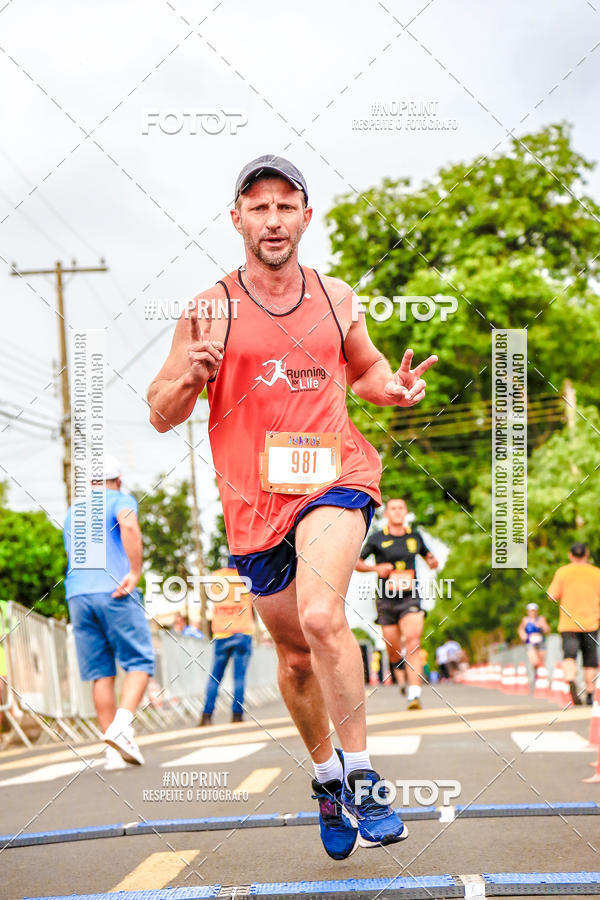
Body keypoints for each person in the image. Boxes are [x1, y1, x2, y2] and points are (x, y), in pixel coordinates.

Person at [148, 154, 437, 857]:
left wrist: (389, 389)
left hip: (335, 477)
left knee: (321, 615)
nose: (273, 219)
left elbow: (364, 368)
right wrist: (191, 376)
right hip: (253, 504)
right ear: (237, 219)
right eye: (259, 206)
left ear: (306, 216)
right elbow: (161, 411)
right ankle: (327, 777)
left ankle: (364, 778)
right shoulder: (208, 307)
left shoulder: (335, 296)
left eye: (286, 206)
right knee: (296, 658)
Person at [63, 455, 154, 769]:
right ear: (118, 480)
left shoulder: (73, 511)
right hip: (114, 588)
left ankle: (112, 752)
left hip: (77, 594)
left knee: (101, 673)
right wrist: (135, 570)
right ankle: (122, 726)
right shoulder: (120, 499)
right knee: (140, 661)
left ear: (90, 484)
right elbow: (128, 523)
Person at [356, 498, 438, 710]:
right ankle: (398, 667)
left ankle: (414, 694)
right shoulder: (377, 538)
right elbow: (357, 563)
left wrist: (432, 561)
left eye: (401, 508)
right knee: (394, 648)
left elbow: (429, 556)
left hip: (411, 596)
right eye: (393, 508)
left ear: (406, 512)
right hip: (386, 599)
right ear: (386, 513)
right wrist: (376, 569)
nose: (397, 511)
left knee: (413, 641)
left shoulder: (414, 536)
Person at [200, 559, 254, 726]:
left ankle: (206, 716)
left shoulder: (217, 576)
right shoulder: (246, 577)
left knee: (215, 677)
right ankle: (236, 716)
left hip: (222, 633)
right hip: (243, 631)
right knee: (239, 677)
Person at [548, 542, 600, 706]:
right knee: (590, 659)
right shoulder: (596, 573)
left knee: (569, 656)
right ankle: (590, 693)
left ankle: (571, 680)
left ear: (570, 555)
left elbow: (551, 595)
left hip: (569, 623)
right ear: (587, 554)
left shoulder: (563, 572)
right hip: (591, 623)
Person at [518, 603, 550, 683]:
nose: (533, 613)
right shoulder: (525, 620)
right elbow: (520, 629)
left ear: (537, 611)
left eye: (534, 611)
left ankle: (541, 677)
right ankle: (536, 674)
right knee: (534, 661)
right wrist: (523, 635)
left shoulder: (541, 619)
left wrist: (542, 627)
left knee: (541, 661)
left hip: (540, 642)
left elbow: (547, 629)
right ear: (528, 612)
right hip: (530, 642)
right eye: (531, 611)